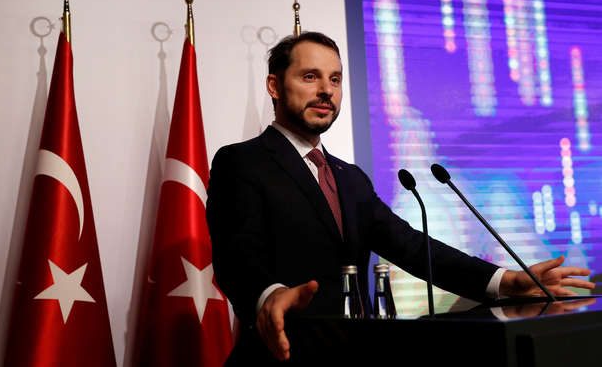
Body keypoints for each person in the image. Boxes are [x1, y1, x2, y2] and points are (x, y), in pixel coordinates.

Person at [205, 31, 595, 364]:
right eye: (310, 76)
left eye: (335, 79)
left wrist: (505, 281)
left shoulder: (349, 177)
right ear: (274, 86)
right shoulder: (242, 162)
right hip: (280, 356)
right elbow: (237, 255)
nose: (326, 90)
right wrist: (268, 296)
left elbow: (412, 247)